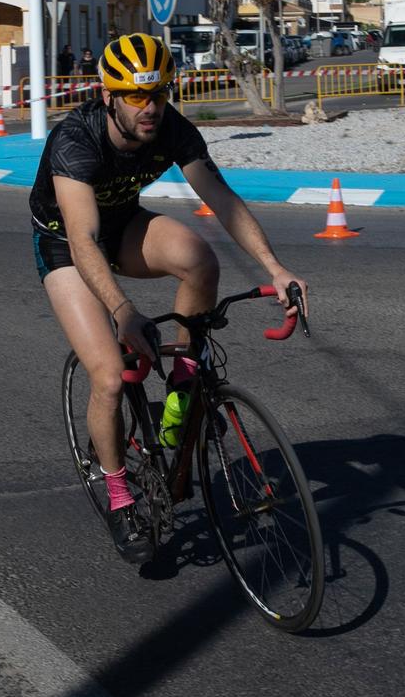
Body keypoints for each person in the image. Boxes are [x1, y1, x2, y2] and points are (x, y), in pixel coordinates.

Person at [30, 33, 308, 565]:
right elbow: (84, 239)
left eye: (159, 92)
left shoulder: (171, 127)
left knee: (200, 258)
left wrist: (275, 268)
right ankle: (118, 496)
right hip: (66, 243)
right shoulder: (75, 140)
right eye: (136, 96)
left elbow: (222, 198)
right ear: (109, 95)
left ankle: (181, 393)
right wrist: (122, 310)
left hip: (123, 226)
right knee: (110, 376)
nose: (150, 107)